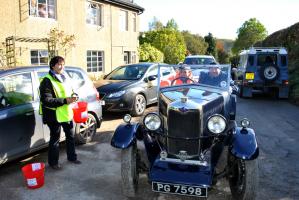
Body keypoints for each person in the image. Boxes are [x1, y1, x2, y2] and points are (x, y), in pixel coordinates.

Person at [39, 56, 81, 170]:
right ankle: (53, 163)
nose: (62, 67)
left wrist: (74, 96)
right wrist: (65, 100)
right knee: (55, 139)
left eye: (63, 64)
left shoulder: (65, 76)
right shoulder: (47, 80)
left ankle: (72, 157)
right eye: (59, 64)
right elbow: (46, 100)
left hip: (66, 113)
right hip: (54, 115)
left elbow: (71, 90)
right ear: (53, 66)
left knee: (70, 136)